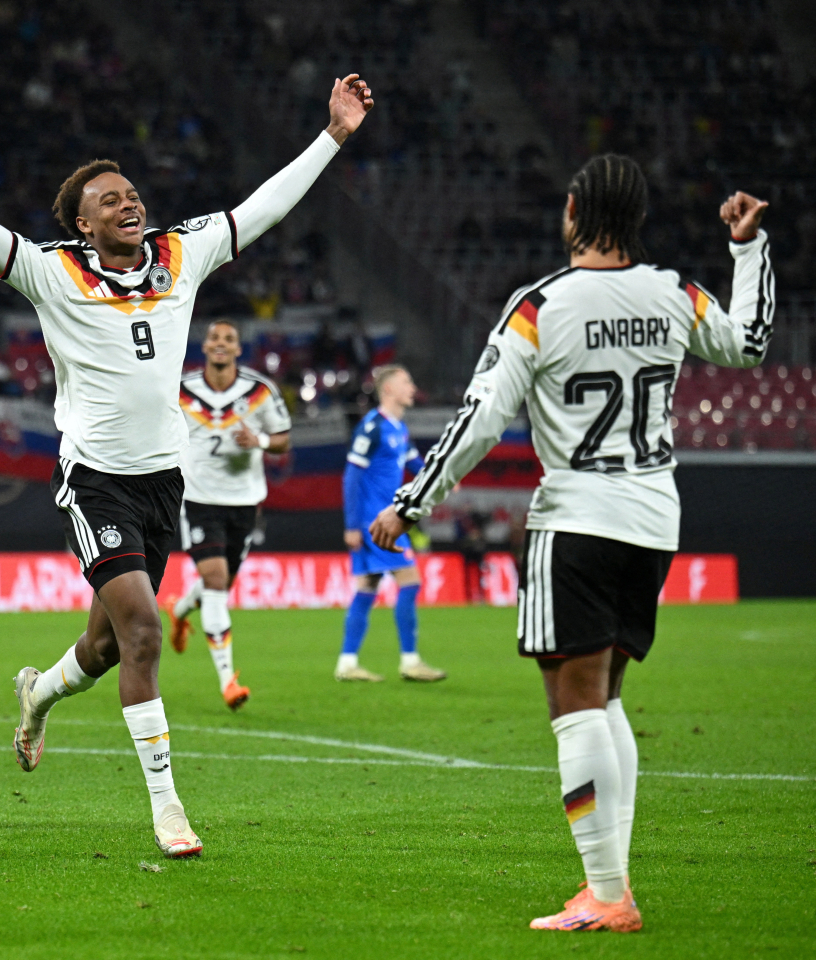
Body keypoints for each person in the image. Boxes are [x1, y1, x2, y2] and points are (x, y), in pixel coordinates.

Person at [0, 71, 372, 857]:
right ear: (82, 222)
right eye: (109, 199)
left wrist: (334, 134)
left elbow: (266, 207)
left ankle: (38, 694)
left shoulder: (182, 252)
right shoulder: (53, 271)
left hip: (163, 482)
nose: (128, 202)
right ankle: (168, 808)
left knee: (107, 648)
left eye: (132, 193)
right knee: (143, 633)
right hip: (95, 481)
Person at [371, 155, 772, 931]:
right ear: (639, 218)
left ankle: (607, 895)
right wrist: (748, 250)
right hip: (655, 518)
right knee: (608, 694)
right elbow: (750, 344)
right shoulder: (674, 292)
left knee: (574, 703)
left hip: (578, 518)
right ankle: (610, 884)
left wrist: (411, 502)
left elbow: (480, 419)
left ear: (573, 210)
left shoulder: (540, 306)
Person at [165, 320, 292, 710]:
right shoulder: (181, 390)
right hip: (199, 499)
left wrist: (261, 441)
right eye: (215, 338)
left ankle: (182, 609)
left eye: (229, 340)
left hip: (245, 501)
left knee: (218, 585)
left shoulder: (259, 392)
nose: (221, 344)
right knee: (216, 580)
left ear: (238, 349)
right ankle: (228, 681)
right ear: (204, 346)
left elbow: (284, 439)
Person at [338, 365, 446, 682]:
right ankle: (410, 661)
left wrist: (443, 477)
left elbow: (415, 462)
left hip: (380, 521)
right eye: (406, 382)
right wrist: (352, 525)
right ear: (388, 390)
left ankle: (347, 663)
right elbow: (351, 476)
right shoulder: (372, 427)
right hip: (376, 522)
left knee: (367, 587)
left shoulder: (397, 428)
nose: (412, 387)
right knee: (410, 581)